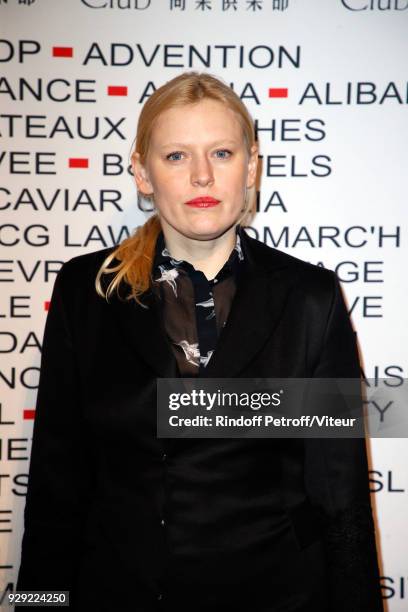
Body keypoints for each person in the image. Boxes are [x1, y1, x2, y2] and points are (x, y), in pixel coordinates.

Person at [16, 71, 383, 611]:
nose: (203, 177)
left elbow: (339, 495)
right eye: (176, 157)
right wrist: (37, 606)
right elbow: (57, 485)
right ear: (142, 173)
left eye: (222, 153)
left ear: (252, 165)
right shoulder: (85, 290)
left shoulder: (311, 298)